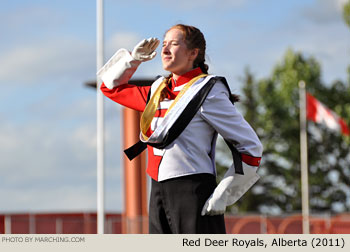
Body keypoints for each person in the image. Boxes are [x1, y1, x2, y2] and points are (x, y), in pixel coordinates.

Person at [98, 24, 263, 234]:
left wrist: (225, 193)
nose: (165, 50)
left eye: (173, 44)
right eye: (164, 44)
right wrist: (133, 59)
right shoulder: (158, 89)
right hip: (157, 189)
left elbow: (250, 147)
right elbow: (110, 88)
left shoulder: (208, 90)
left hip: (193, 190)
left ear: (194, 53)